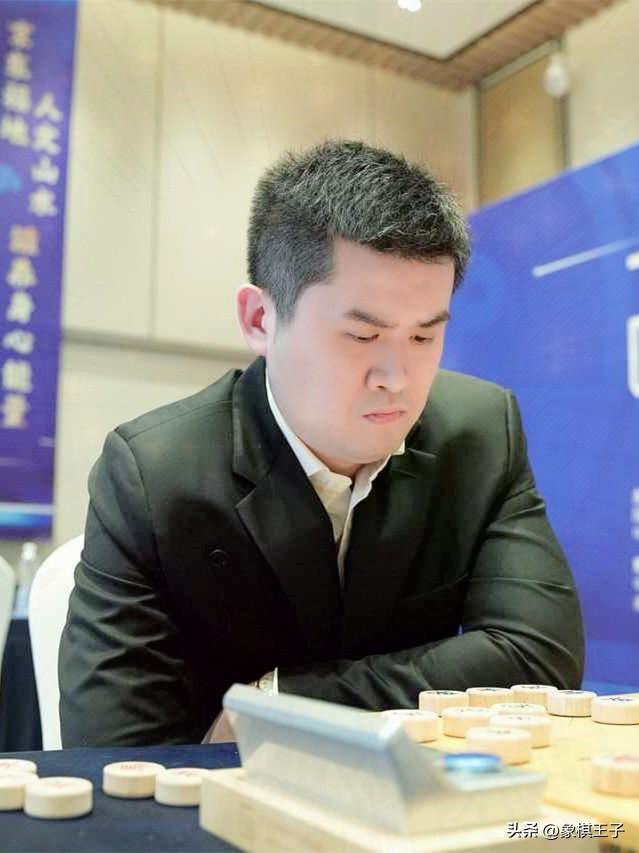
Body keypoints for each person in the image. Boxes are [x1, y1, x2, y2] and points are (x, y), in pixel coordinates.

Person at [59, 140, 584, 747]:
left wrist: (276, 704)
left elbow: (537, 659)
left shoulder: (481, 432)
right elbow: (113, 749)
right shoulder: (155, 475)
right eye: (362, 336)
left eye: (424, 337)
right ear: (260, 319)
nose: (397, 378)